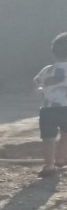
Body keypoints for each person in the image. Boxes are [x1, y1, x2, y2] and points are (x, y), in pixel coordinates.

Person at [35, 32, 67, 177]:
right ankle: (61, 160)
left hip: (48, 110)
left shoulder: (46, 70)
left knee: (48, 138)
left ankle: (49, 166)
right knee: (66, 135)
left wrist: (42, 91)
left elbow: (38, 85)